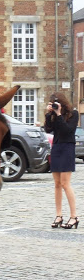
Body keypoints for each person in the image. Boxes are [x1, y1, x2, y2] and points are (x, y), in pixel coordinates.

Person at [44, 92, 79, 230]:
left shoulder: (73, 114)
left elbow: (67, 130)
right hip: (57, 148)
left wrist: (58, 115)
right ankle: (59, 215)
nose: (54, 106)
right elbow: (48, 129)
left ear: (62, 103)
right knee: (57, 184)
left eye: (55, 103)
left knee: (65, 184)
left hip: (67, 148)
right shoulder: (53, 115)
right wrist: (49, 115)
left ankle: (74, 216)